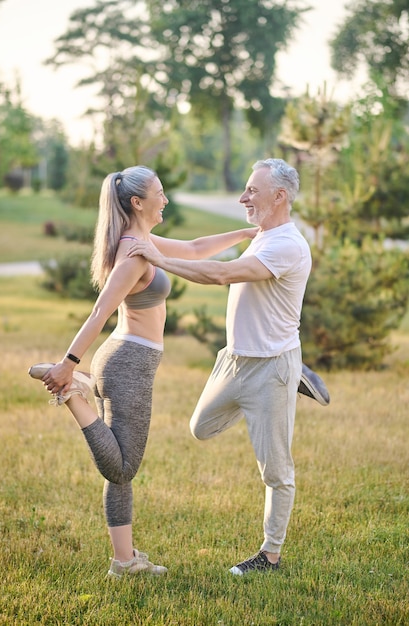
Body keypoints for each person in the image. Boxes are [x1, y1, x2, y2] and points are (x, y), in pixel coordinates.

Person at [29, 165, 263, 579]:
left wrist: (244, 235)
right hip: (128, 364)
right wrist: (68, 364)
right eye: (159, 193)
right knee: (121, 467)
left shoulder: (142, 242)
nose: (166, 199)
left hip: (125, 360)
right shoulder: (134, 252)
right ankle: (72, 395)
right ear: (138, 202)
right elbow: (101, 309)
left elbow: (192, 249)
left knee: (121, 471)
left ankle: (124, 561)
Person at [126, 158, 326, 575]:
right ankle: (296, 379)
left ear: (280, 196)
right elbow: (199, 249)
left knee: (276, 470)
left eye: (252, 190)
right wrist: (148, 243)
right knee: (200, 428)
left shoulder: (287, 244)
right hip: (234, 361)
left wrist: (156, 258)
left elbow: (221, 274)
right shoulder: (264, 235)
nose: (243, 197)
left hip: (271, 366)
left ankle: (270, 556)